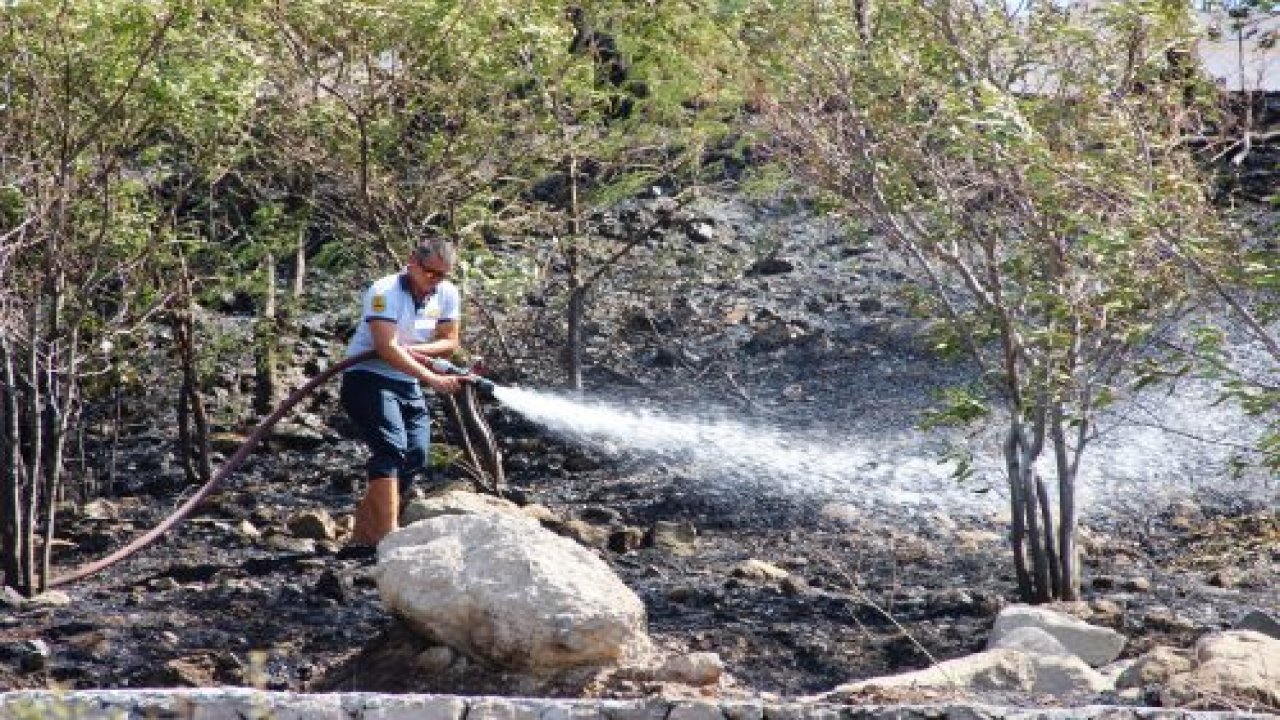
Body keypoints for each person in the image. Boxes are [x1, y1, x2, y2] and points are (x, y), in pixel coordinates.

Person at [340, 238, 464, 546]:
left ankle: (362, 537)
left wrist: (417, 351)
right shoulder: (384, 292)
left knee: (416, 455)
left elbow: (450, 342)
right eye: (429, 273)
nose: (434, 281)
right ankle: (388, 537)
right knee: (391, 450)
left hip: (406, 381)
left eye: (442, 275)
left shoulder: (446, 294)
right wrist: (430, 377)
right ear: (412, 263)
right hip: (367, 378)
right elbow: (386, 348)